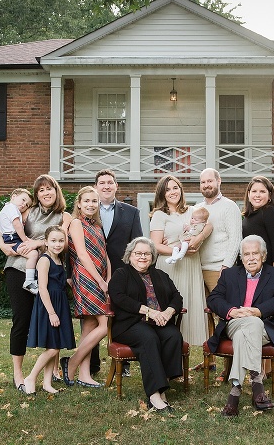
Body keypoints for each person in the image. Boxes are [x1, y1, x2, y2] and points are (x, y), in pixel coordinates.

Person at [206, 235, 274, 417]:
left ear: (263, 255)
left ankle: (235, 392)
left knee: (249, 328)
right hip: (234, 324)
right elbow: (213, 298)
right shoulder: (229, 274)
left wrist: (259, 310)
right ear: (242, 257)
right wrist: (231, 311)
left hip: (264, 328)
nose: (251, 258)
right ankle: (257, 385)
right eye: (247, 254)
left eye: (255, 253)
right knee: (248, 326)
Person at [0, 174, 72, 395]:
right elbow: (4, 230)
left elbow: (64, 239)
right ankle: (18, 374)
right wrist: (4, 246)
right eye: (41, 190)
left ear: (56, 191)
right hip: (18, 268)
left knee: (53, 318)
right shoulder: (26, 212)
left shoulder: (65, 216)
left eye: (50, 188)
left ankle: (52, 372)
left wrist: (37, 242)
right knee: (21, 320)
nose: (46, 193)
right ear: (36, 194)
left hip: (49, 271)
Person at [108, 237, 184, 412]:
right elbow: (119, 297)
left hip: (159, 322)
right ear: (130, 255)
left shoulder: (160, 275)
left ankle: (162, 382)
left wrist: (168, 312)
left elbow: (176, 297)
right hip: (130, 324)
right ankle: (154, 395)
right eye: (138, 253)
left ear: (152, 256)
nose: (142, 257)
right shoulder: (122, 274)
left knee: (173, 335)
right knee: (148, 338)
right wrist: (149, 311)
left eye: (147, 254)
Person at [91, 169, 143, 377]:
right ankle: (92, 365)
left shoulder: (131, 212)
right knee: (93, 319)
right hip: (92, 271)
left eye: (110, 182)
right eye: (102, 183)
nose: (106, 186)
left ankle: (124, 364)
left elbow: (137, 244)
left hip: (122, 273)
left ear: (116, 186)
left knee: (123, 316)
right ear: (96, 187)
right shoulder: (88, 209)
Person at [60, 186, 111, 388]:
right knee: (106, 324)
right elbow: (81, 254)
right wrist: (99, 280)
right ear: (79, 204)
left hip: (101, 278)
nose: (91, 204)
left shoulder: (98, 226)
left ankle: (84, 374)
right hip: (85, 277)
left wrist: (109, 277)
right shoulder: (76, 224)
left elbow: (104, 255)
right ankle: (71, 362)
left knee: (89, 326)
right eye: (87, 201)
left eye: (94, 201)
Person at [149, 175, 208, 347]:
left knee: (190, 307)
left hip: (190, 266)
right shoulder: (159, 215)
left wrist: (196, 243)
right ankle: (170, 350)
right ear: (162, 194)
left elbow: (207, 226)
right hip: (171, 267)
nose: (172, 192)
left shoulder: (192, 211)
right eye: (167, 189)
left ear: (181, 190)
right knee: (171, 307)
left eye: (175, 188)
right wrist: (177, 250)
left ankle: (187, 353)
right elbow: (156, 245)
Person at [24, 226, 75, 394]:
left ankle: (47, 383)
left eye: (61, 241)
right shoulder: (44, 260)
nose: (57, 244)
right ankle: (30, 377)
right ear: (46, 242)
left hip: (60, 304)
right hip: (49, 305)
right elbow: (43, 289)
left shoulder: (60, 259)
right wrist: (52, 313)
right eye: (53, 241)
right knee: (52, 348)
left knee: (56, 346)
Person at [196, 168, 242, 297]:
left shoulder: (230, 206)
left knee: (222, 311)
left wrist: (226, 266)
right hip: (198, 269)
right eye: (202, 182)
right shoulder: (196, 209)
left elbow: (235, 239)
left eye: (210, 181)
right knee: (205, 315)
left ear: (219, 181)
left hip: (219, 270)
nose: (206, 185)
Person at [0, 188, 39, 293]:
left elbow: (1, 231)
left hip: (10, 237)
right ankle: (29, 281)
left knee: (33, 254)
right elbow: (17, 224)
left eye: (27, 205)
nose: (24, 205)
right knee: (33, 254)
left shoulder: (7, 209)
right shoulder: (11, 208)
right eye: (23, 200)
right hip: (13, 238)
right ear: (14, 196)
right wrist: (25, 240)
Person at [241, 176, 274, 269]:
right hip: (251, 272)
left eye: (262, 191)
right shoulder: (248, 217)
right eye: (254, 191)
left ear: (269, 195)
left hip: (267, 272)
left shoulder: (270, 212)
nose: (257, 195)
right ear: (248, 195)